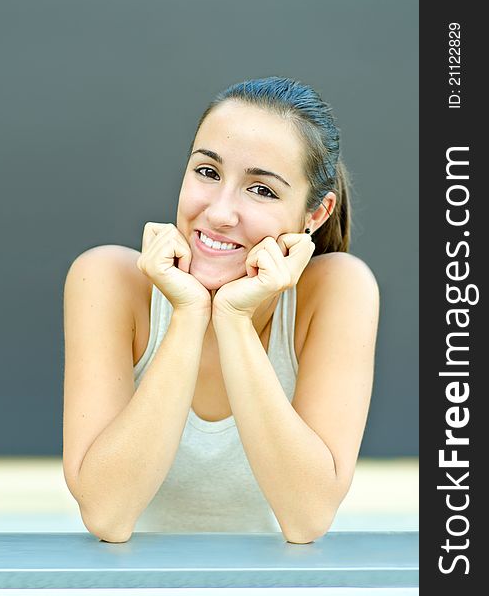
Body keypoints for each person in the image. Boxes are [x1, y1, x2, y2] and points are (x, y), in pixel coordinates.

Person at [61, 77, 380, 544]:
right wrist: (189, 313)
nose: (219, 213)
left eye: (262, 191)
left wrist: (231, 318)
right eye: (207, 173)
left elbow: (307, 517)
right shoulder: (106, 280)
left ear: (315, 214)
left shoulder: (339, 289)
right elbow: (108, 513)